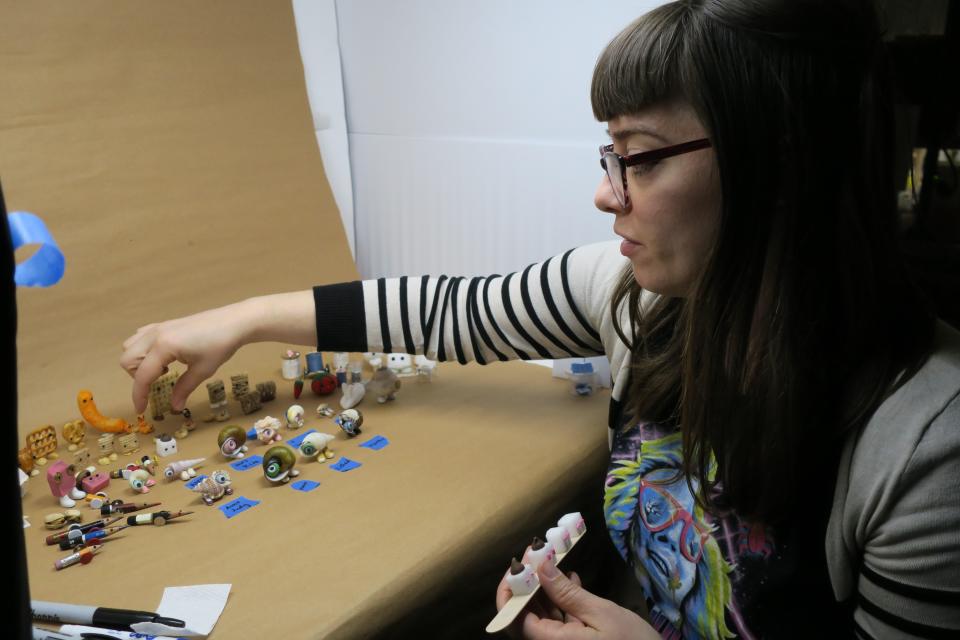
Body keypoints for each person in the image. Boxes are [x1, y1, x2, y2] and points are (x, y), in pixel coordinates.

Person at [120, 1, 960, 638]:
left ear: (781, 163)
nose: (606, 191)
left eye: (638, 155)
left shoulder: (929, 450)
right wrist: (241, 318)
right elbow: (456, 312)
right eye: (610, 154)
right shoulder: (636, 295)